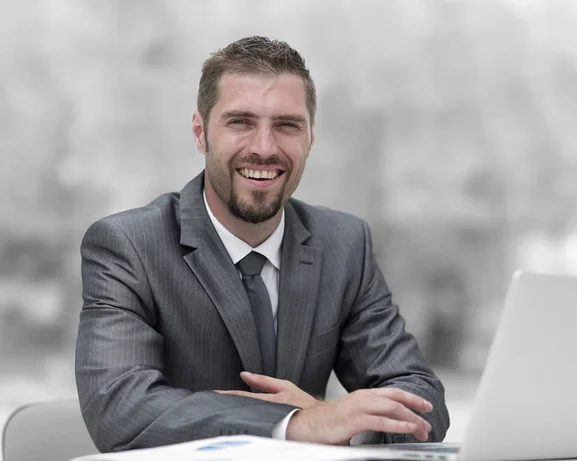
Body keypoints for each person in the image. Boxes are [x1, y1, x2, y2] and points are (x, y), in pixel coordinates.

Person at [75, 36, 450, 452]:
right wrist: (296, 423)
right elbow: (119, 409)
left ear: (310, 138)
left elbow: (422, 397)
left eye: (287, 125)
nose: (264, 148)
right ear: (201, 133)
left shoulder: (345, 243)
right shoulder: (128, 246)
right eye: (240, 122)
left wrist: (348, 424)